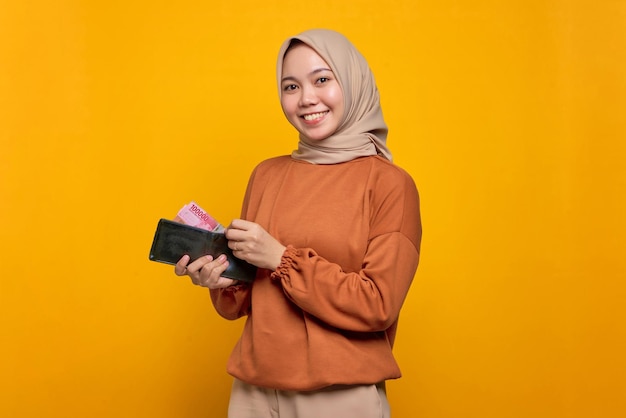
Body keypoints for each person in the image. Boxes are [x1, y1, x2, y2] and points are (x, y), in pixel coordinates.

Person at [174, 29, 422, 418]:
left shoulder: (389, 184)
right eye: (290, 86)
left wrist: (281, 258)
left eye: (322, 79)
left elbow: (378, 304)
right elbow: (245, 300)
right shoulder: (266, 175)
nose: (306, 99)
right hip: (253, 393)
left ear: (352, 82)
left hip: (340, 397)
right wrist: (223, 279)